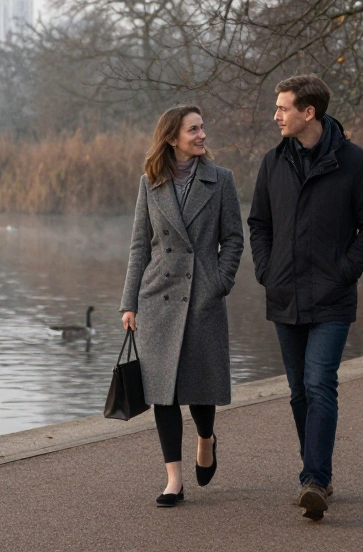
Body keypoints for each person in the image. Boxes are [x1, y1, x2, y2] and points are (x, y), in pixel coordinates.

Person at [247, 75, 363, 521]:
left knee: (319, 382)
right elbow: (259, 224)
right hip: (285, 294)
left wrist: (343, 273)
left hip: (332, 298)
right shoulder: (272, 163)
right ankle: (319, 477)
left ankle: (313, 480)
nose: (276, 115)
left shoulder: (355, 162)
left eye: (283, 108)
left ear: (309, 112)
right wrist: (267, 271)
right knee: (297, 392)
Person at [119, 105, 244, 508]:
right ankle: (173, 479)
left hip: (203, 297)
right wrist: (129, 302)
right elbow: (140, 246)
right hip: (159, 299)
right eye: (194, 129)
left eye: (202, 127)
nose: (202, 134)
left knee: (201, 389)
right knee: (163, 393)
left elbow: (233, 240)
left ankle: (206, 439)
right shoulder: (150, 182)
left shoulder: (220, 180)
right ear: (173, 137)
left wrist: (219, 283)